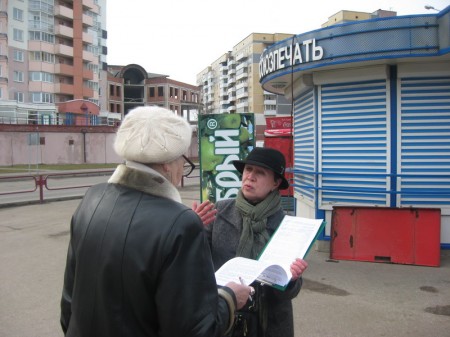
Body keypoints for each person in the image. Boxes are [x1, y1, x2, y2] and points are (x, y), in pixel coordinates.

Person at [60, 106, 253, 337]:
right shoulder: (181, 224)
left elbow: (69, 303)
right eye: (183, 159)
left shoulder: (93, 197)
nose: (183, 169)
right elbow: (194, 330)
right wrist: (230, 298)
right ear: (166, 164)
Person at [201, 147, 308, 337]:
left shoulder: (288, 226)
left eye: (260, 172)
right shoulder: (219, 212)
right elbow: (197, 264)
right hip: (225, 316)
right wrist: (193, 229)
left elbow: (287, 294)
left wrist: (292, 280)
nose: (250, 176)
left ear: (275, 183)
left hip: (270, 324)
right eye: (248, 169)